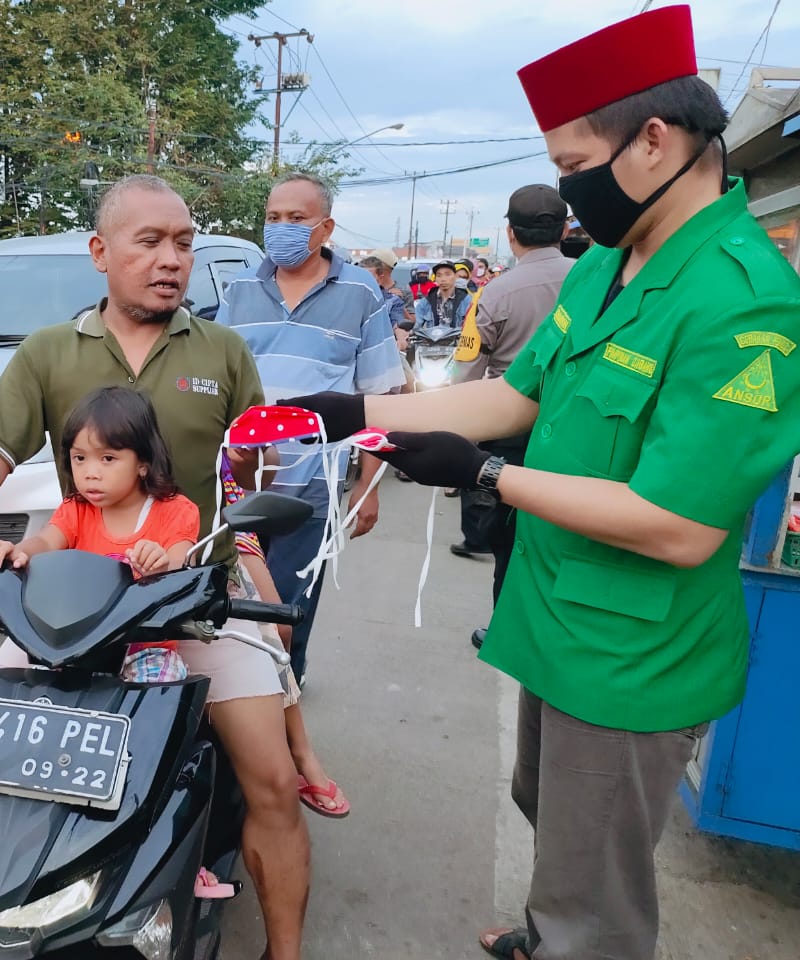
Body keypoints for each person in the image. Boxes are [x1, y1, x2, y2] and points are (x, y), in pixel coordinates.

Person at [284, 7, 800, 960]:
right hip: (560, 612)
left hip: (634, 651)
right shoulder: (608, 261)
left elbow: (680, 524)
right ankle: (546, 930)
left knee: (597, 880)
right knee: (553, 813)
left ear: (656, 140)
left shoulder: (741, 300)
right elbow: (516, 399)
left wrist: (488, 480)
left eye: (573, 165)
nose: (567, 191)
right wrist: (355, 415)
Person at [0, 174, 311, 960]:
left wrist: (253, 490)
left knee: (273, 785)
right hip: (72, 600)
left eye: (182, 243)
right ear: (100, 252)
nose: (170, 259)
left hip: (197, 596)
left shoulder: (223, 350)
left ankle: (285, 951)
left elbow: (252, 474)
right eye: (149, 241)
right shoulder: (49, 351)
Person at [219, 174, 403, 688]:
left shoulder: (360, 291)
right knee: (233, 612)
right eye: (273, 218)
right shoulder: (239, 289)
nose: (281, 229)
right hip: (238, 482)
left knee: (287, 615)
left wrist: (367, 488)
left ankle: (285, 703)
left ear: (325, 227)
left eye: (295, 220)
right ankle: (239, 713)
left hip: (314, 487)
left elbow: (381, 400)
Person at [451, 185, 573, 654]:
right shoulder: (598, 283)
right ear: (563, 229)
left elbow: (467, 373)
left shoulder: (493, 294)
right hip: (577, 435)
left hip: (510, 437)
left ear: (510, 234)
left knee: (509, 537)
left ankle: (509, 629)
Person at [414, 261, 471, 330]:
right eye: (439, 275)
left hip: (457, 340)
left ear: (455, 276)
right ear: (435, 278)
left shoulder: (466, 300)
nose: (443, 279)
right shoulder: (426, 302)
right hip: (431, 339)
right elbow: (417, 326)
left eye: (447, 274)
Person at [360, 250, 408, 328]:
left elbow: (399, 325)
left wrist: (401, 338)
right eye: (361, 277)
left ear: (380, 278)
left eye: (369, 278)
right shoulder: (349, 298)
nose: (364, 281)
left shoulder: (393, 301)